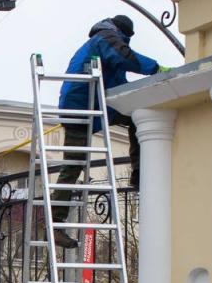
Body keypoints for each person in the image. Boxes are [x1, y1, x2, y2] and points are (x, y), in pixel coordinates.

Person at [53, 15, 170, 249]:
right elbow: (126, 57)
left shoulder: (103, 42)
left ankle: (138, 173)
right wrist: (156, 68)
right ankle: (55, 224)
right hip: (81, 106)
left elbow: (119, 85)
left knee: (137, 113)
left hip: (95, 103)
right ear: (123, 32)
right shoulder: (105, 38)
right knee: (73, 164)